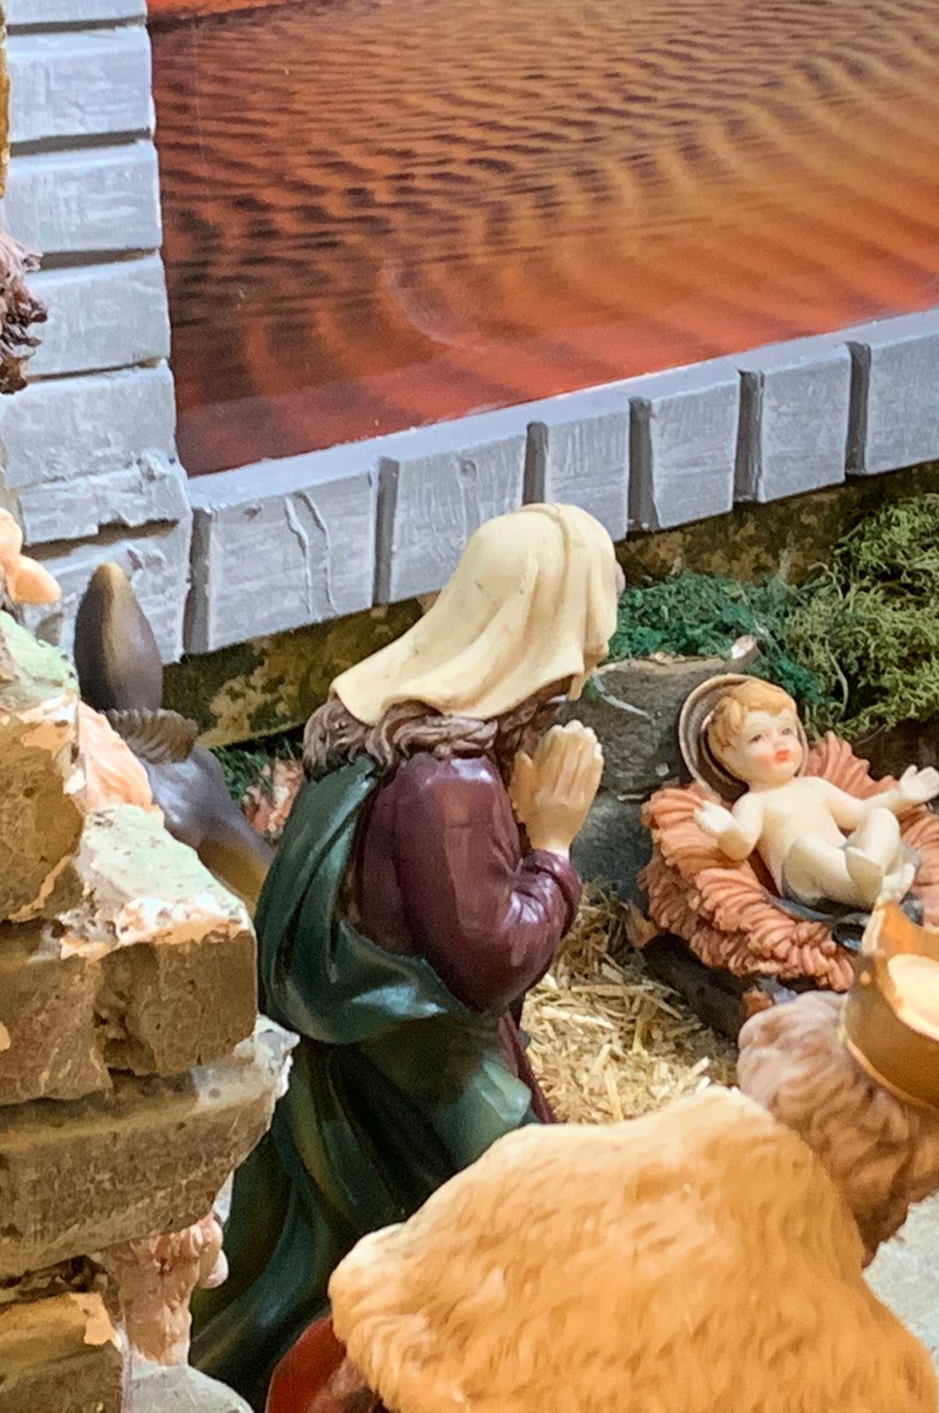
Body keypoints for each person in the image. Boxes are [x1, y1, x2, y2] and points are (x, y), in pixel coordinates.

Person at [262, 904, 939, 1413]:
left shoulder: (536, 1167)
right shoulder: (870, 1375)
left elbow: (337, 1352)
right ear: (911, 1171)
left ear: (782, 1056)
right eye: (937, 1175)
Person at [191, 503, 621, 1403]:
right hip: (427, 1073)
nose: (595, 647)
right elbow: (490, 961)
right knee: (532, 1224)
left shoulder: (378, 723)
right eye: (592, 614)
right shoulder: (448, 784)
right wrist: (554, 845)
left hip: (356, 1057)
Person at [684, 675, 939, 908]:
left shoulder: (813, 785)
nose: (778, 741)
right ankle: (869, 892)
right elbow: (741, 847)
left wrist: (900, 796)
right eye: (757, 737)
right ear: (730, 758)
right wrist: (727, 831)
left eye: (786, 730)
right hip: (805, 880)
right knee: (806, 846)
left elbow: (860, 812)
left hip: (847, 857)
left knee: (881, 817)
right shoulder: (753, 802)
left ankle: (875, 874)